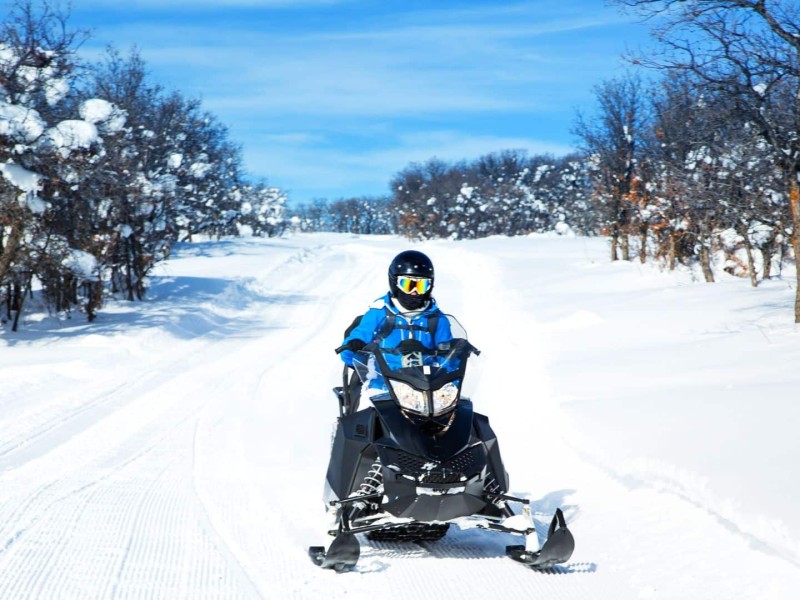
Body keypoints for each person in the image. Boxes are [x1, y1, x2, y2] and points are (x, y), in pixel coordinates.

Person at [336, 250, 452, 411]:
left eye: (421, 285)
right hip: (382, 384)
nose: (414, 292)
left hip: (427, 388)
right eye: (409, 284)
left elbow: (449, 358)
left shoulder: (437, 319)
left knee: (458, 415)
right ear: (395, 282)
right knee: (368, 414)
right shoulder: (379, 312)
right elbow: (353, 346)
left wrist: (458, 353)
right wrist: (354, 344)